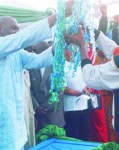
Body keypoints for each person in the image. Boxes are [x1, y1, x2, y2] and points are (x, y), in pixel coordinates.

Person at [65, 7, 119, 150]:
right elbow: (113, 49)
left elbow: (91, 77)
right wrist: (90, 29)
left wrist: (81, 45)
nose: (118, 28)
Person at [0, 1, 73, 149]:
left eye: (18, 29)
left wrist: (59, 45)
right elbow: (23, 38)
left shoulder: (16, 52)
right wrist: (60, 15)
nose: (17, 32)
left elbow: (38, 60)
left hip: (15, 120)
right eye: (13, 28)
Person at [29, 41, 65, 132]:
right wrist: (37, 107)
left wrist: (45, 107)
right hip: (38, 116)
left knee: (57, 142)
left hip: (54, 114)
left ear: (45, 52)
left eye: (37, 51)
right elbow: (29, 90)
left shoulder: (57, 67)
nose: (34, 54)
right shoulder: (31, 67)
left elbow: (59, 91)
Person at [63, 46, 90, 141]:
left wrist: (87, 88)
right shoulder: (62, 66)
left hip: (84, 105)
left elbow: (87, 81)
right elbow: (63, 87)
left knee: (85, 134)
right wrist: (77, 93)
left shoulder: (79, 65)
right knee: (73, 135)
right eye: (69, 50)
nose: (72, 52)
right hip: (71, 108)